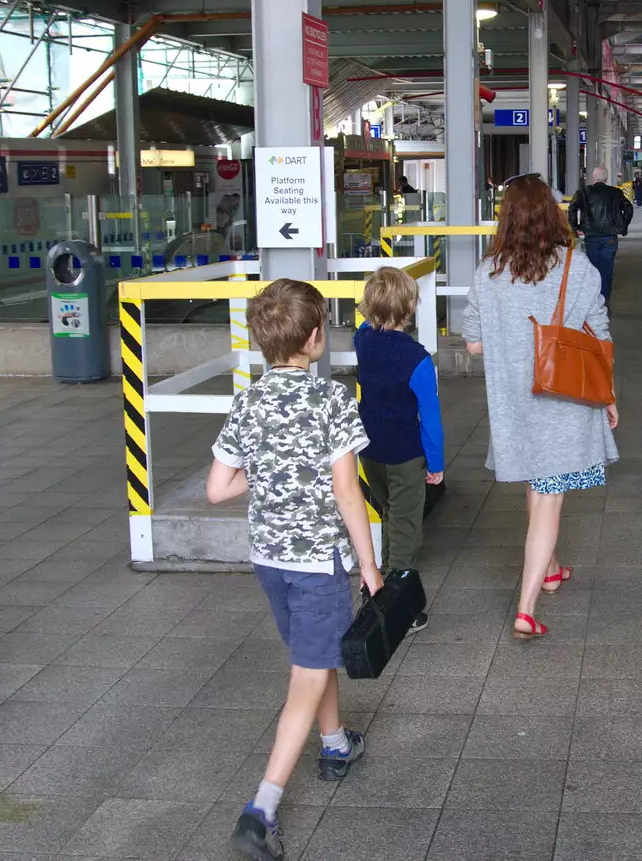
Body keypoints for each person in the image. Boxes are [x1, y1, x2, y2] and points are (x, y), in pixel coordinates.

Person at [208, 279, 382, 861]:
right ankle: (261, 809)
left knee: (315, 653)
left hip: (268, 560)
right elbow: (348, 493)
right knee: (306, 675)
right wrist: (370, 566)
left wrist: (271, 470)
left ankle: (334, 745)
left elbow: (216, 488)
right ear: (315, 337)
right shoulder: (331, 398)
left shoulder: (249, 399)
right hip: (317, 562)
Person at [463, 174, 619, 640]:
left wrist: (511, 344)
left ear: (506, 218)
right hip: (564, 401)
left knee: (540, 486)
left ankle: (549, 569)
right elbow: (600, 336)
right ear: (552, 214)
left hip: (515, 405)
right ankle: (526, 609)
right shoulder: (580, 267)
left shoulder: (487, 272)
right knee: (549, 498)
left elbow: (472, 344)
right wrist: (611, 396)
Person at [353, 266, 444, 634]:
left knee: (391, 513)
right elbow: (430, 420)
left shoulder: (362, 341)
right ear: (409, 309)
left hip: (370, 451)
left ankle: (379, 581)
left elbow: (364, 326)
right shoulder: (418, 360)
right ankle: (396, 608)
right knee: (406, 526)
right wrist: (435, 464)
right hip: (407, 456)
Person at [567, 166, 634, 301]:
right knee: (607, 269)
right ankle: (603, 300)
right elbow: (628, 208)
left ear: (593, 177)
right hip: (610, 236)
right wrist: (622, 224)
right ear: (607, 178)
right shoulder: (615, 192)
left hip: (591, 236)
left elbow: (572, 208)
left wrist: (576, 226)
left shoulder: (584, 192)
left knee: (592, 268)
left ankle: (593, 299)